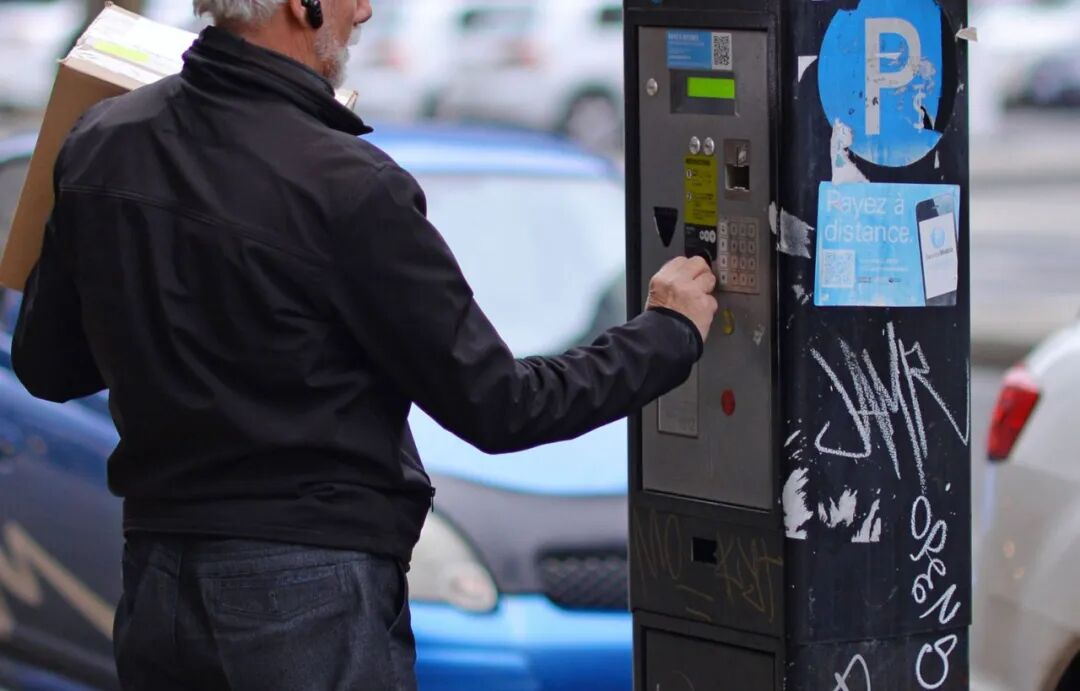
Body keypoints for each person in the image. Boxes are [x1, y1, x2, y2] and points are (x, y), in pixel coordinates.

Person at [11, 0, 718, 688]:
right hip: (306, 595)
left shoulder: (103, 138)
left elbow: (47, 366)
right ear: (303, 5)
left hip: (157, 579)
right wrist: (667, 332)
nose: (367, 13)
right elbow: (503, 406)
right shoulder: (347, 185)